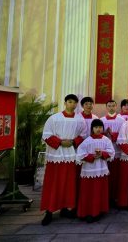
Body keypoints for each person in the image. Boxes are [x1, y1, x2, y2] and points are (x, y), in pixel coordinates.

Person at [40, 94, 87, 226]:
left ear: (76, 104)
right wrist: (60, 142)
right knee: (53, 183)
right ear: (65, 102)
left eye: (74, 102)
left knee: (69, 183)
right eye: (69, 102)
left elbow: (83, 135)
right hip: (56, 154)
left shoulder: (80, 119)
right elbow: (47, 135)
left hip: (71, 153)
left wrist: (72, 141)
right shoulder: (54, 118)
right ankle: (49, 211)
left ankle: (65, 208)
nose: (72, 104)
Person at [76, 119, 115, 222]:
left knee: (99, 191)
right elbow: (80, 154)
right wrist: (92, 156)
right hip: (89, 170)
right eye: (96, 127)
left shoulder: (106, 140)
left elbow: (111, 152)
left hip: (101, 169)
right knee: (88, 192)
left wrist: (102, 154)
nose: (98, 129)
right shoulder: (87, 140)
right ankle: (86, 212)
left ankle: (98, 211)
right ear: (92, 129)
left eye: (100, 127)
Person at [101, 100, 125, 205]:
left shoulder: (122, 120)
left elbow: (124, 135)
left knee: (116, 176)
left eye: (113, 106)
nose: (111, 108)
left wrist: (113, 135)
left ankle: (115, 197)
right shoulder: (101, 120)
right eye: (109, 106)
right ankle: (105, 197)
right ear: (106, 107)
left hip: (117, 151)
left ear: (116, 107)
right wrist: (105, 134)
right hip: (105, 151)